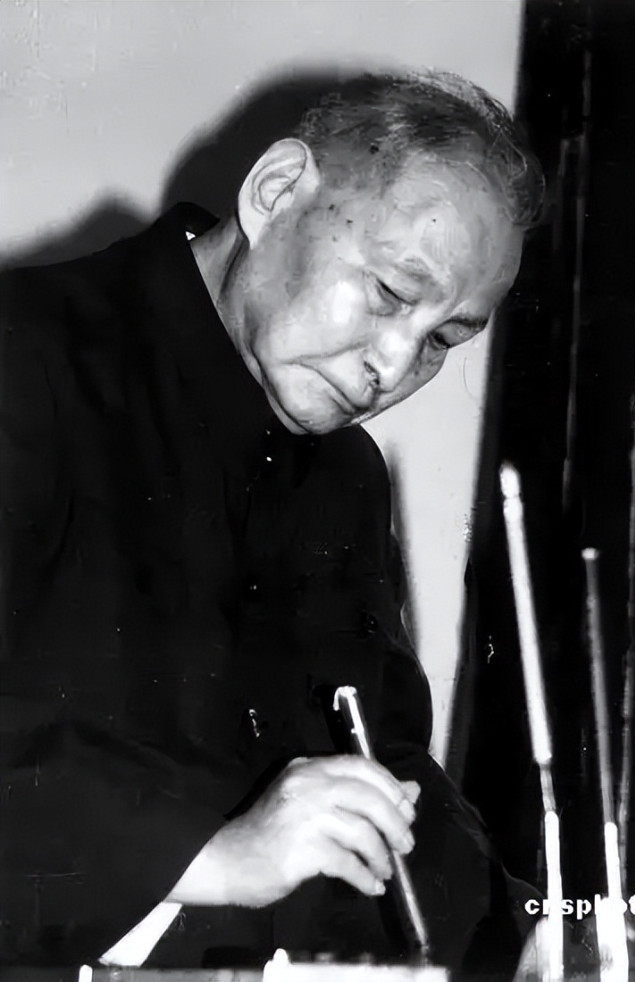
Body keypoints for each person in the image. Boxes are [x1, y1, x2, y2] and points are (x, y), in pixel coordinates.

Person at [0, 70, 544, 974]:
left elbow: (384, 773)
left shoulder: (345, 476)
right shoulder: (24, 355)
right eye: (390, 292)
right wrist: (214, 858)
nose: (394, 366)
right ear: (274, 191)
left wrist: (534, 936)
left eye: (444, 340)